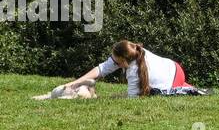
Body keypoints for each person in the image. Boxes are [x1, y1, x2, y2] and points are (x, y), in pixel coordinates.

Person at [60, 39, 191, 97]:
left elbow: (132, 99)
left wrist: (103, 97)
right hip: (175, 67)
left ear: (123, 61)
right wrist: (73, 83)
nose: (113, 63)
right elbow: (101, 69)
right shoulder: (136, 51)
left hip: (173, 82)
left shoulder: (134, 72)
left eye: (116, 62)